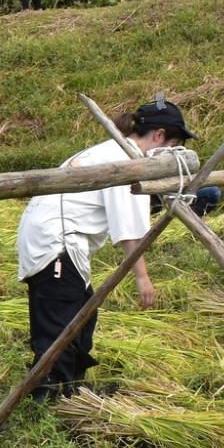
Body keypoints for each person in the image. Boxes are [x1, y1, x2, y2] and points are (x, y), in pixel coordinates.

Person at [15, 99, 199, 401]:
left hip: (56, 238)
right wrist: (142, 278)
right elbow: (129, 232)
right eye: (174, 145)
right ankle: (52, 398)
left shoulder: (114, 151)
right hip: (56, 241)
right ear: (159, 136)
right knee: (61, 322)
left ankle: (70, 389)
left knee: (82, 316)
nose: (171, 154)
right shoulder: (126, 162)